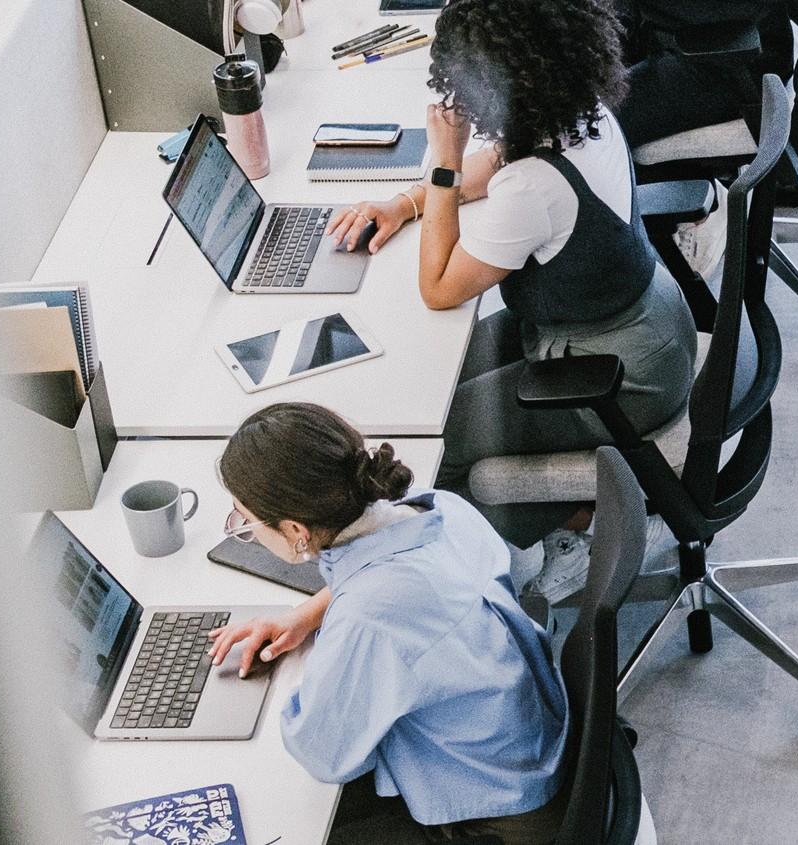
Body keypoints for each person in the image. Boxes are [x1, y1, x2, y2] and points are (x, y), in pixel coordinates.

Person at [324, 0, 696, 554]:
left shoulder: (534, 188)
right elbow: (497, 161)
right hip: (638, 324)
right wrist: (405, 203)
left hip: (622, 379)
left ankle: (572, 534)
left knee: (432, 446)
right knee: (428, 381)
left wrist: (444, 161)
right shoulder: (577, 108)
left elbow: (438, 287)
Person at [202, 403, 571, 844]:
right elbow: (389, 578)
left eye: (246, 521)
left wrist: (317, 670)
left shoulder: (370, 617)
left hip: (498, 814)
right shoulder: (437, 507)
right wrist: (305, 616)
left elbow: (324, 756)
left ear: (296, 530)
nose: (246, 529)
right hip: (530, 746)